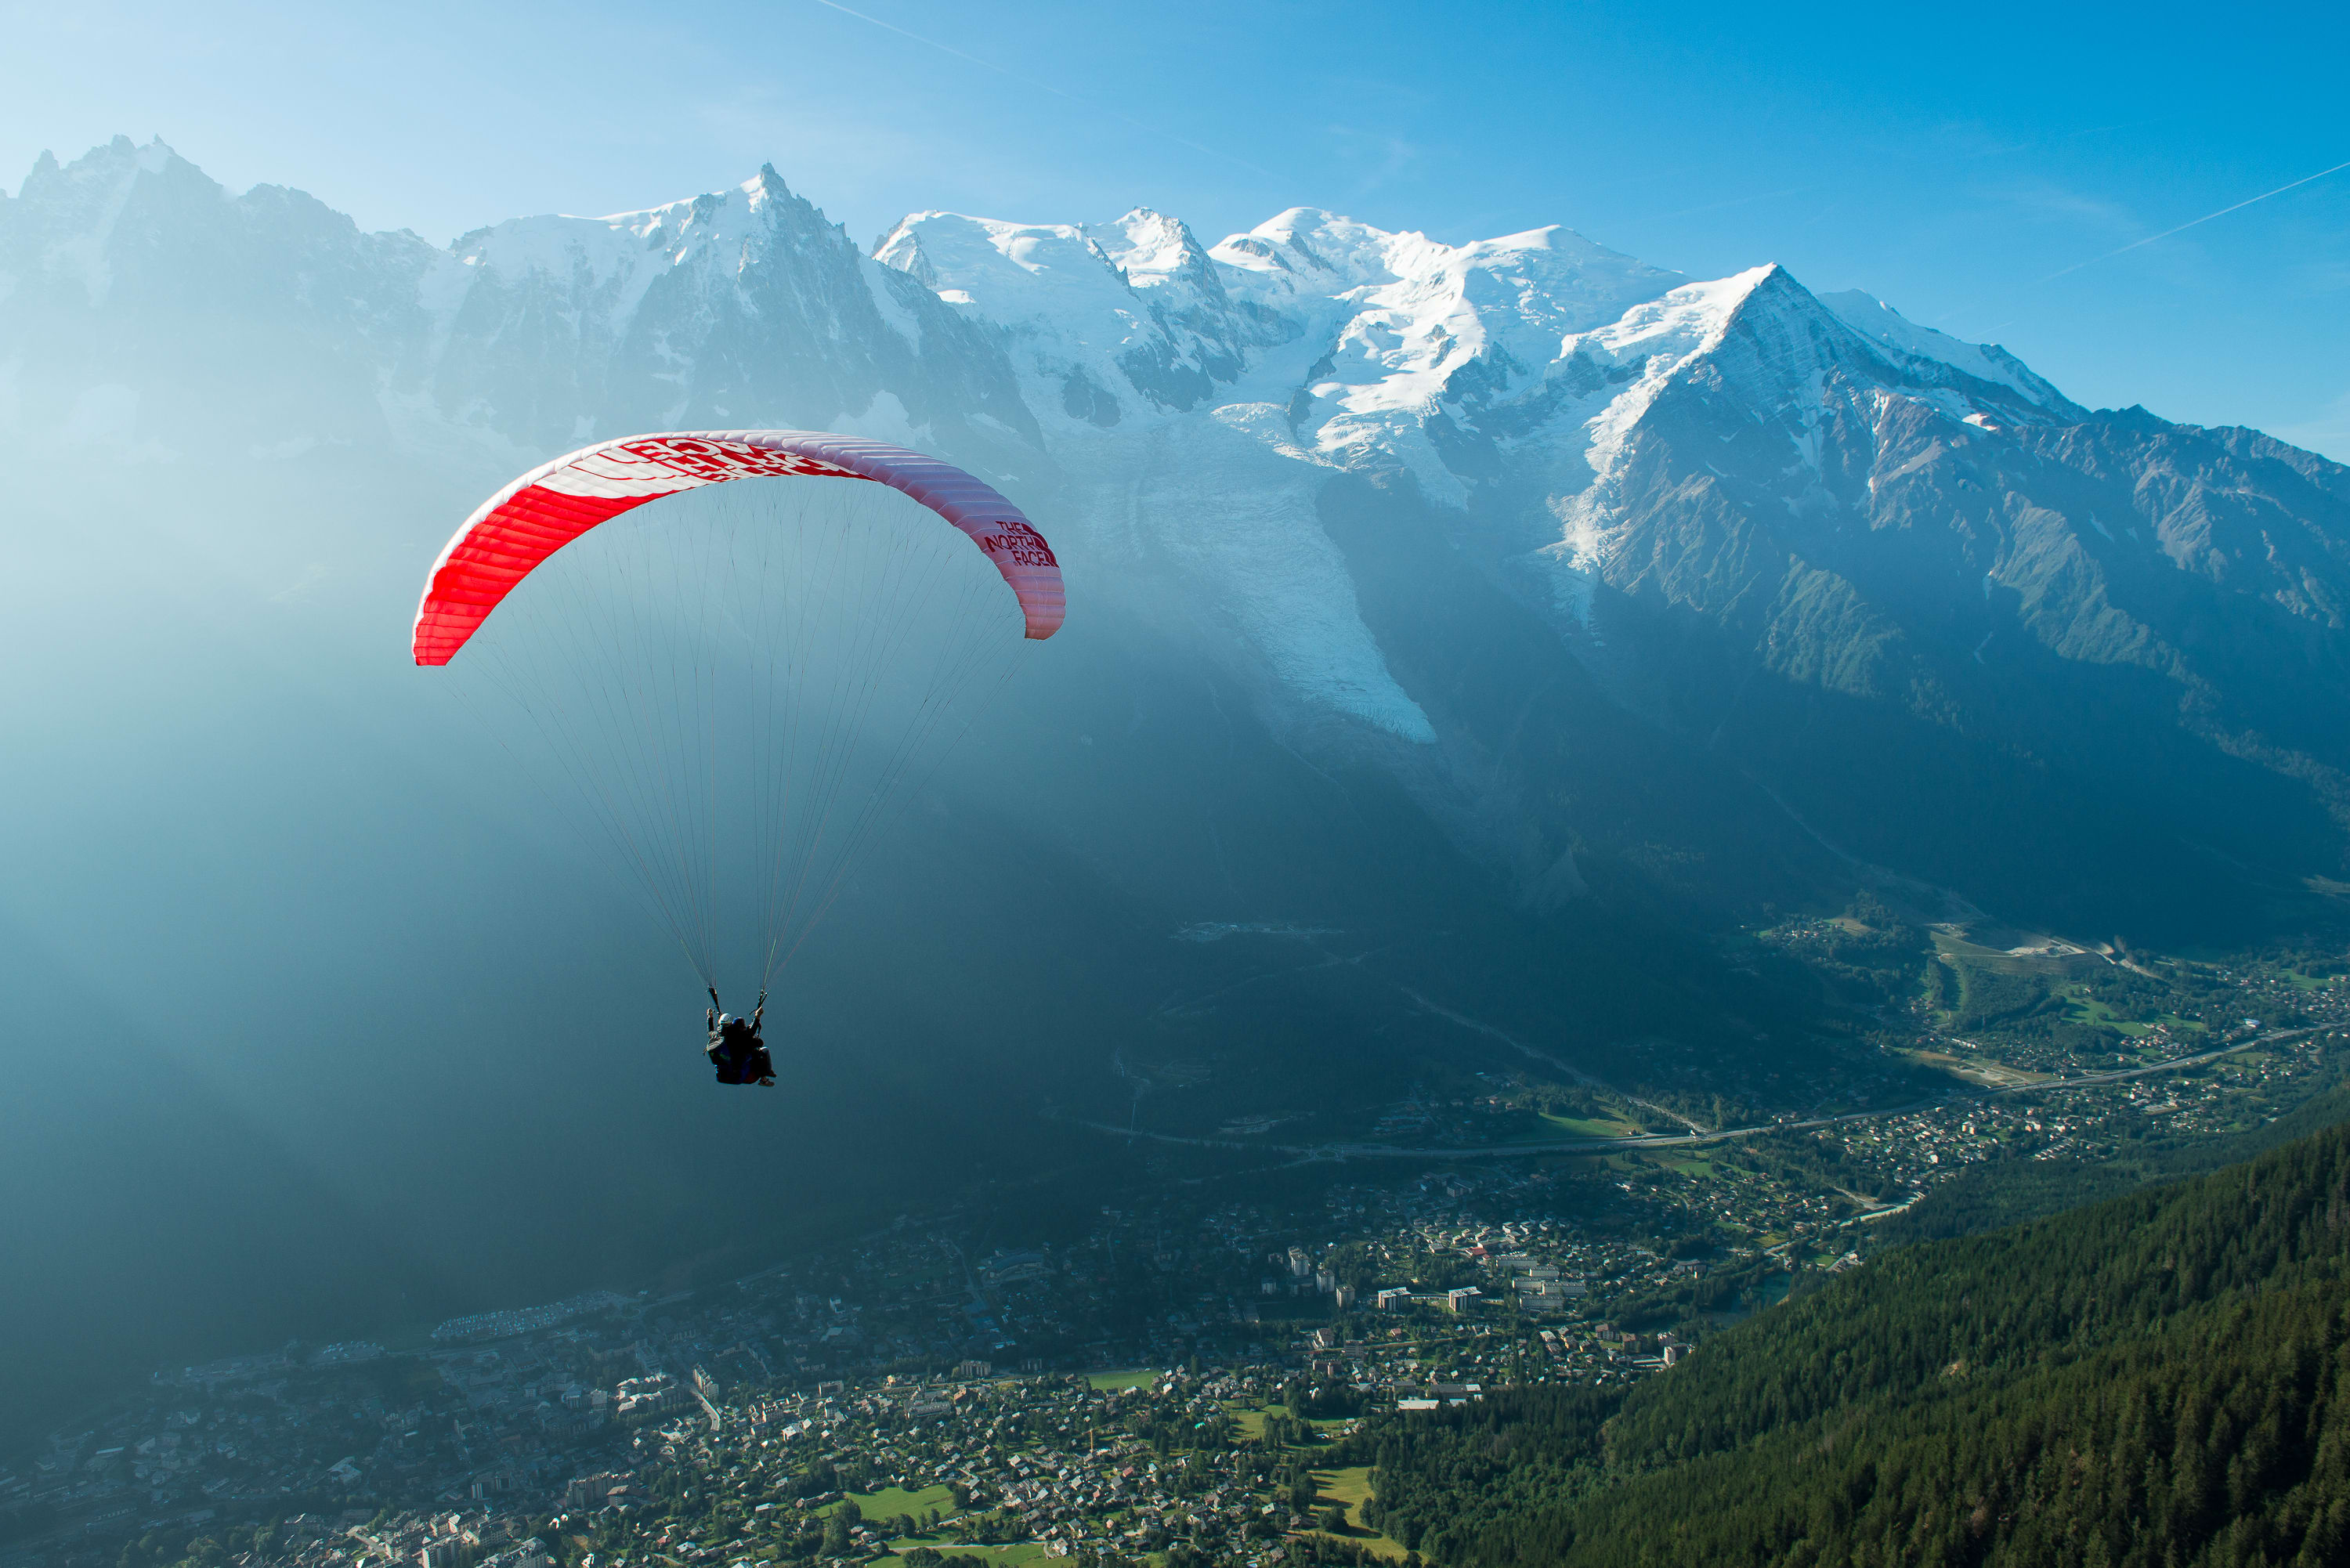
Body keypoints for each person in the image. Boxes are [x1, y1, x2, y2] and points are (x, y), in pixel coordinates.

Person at [705, 988, 776, 1086]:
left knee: (755, 1050)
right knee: (763, 1051)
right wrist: (757, 1017)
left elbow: (710, 1032)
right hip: (744, 1075)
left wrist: (710, 1017)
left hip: (728, 1072)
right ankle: (764, 1079)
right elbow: (751, 1032)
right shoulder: (738, 1036)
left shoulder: (719, 1036)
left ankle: (765, 1075)